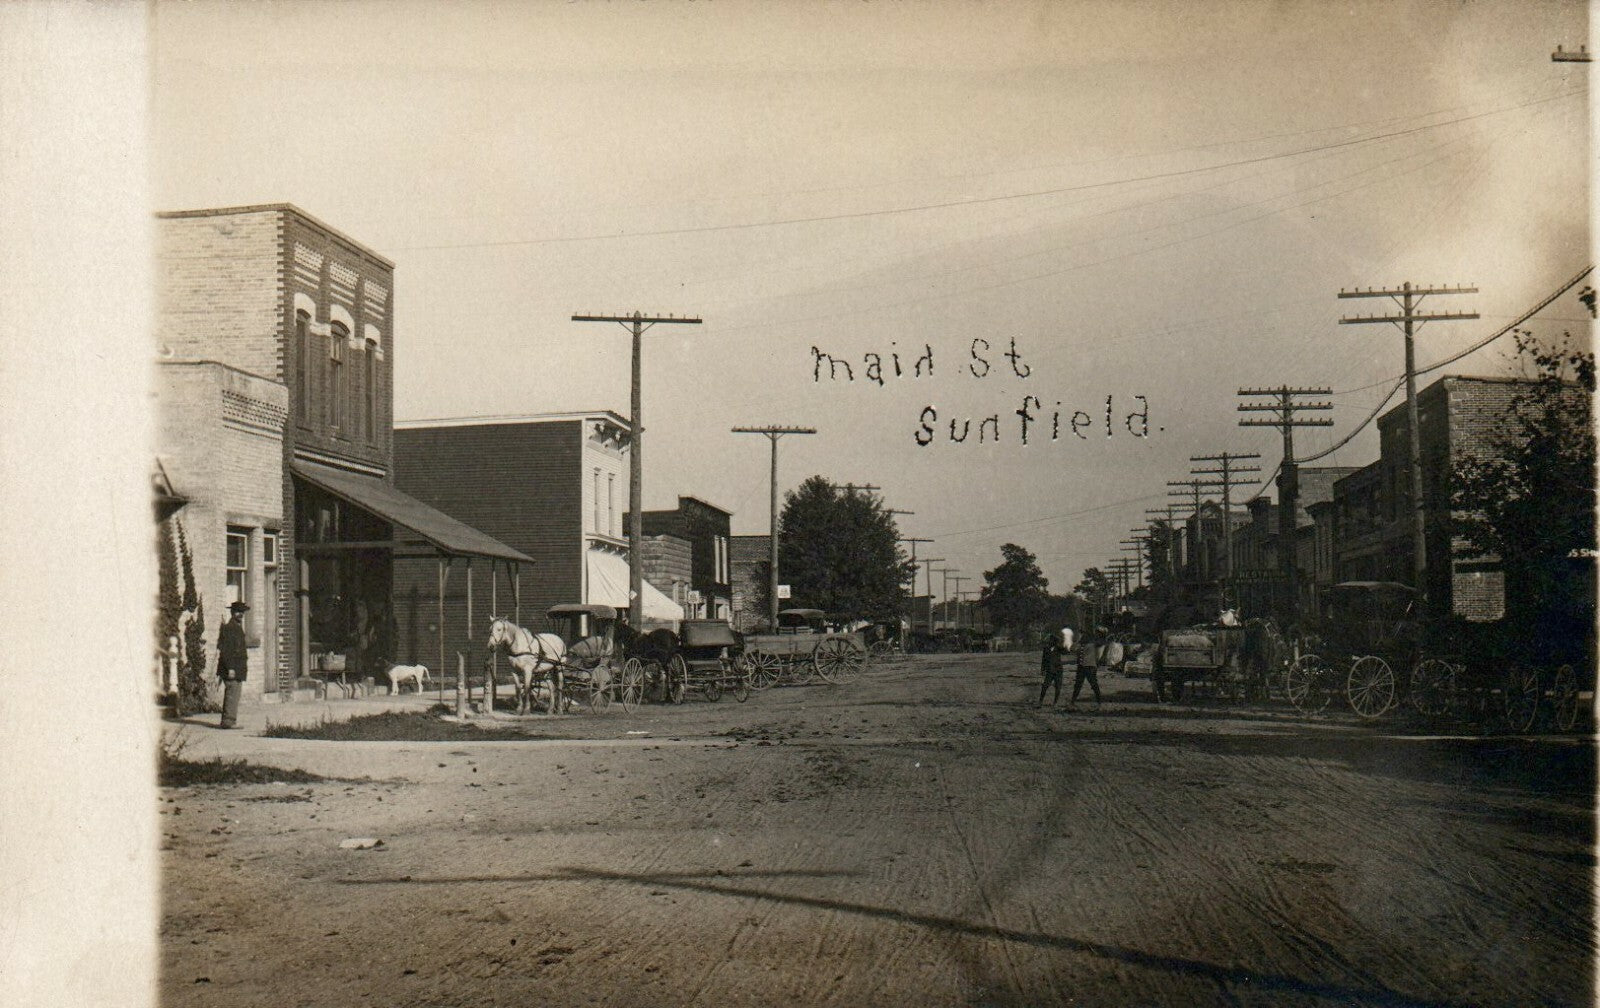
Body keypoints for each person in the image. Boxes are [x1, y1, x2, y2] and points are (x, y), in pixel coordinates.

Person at [216, 601, 249, 729]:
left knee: (235, 693)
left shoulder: (237, 627)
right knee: (232, 693)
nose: (240, 614)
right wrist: (230, 668)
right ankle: (228, 721)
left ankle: (230, 720)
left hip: (237, 668)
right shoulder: (230, 628)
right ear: (232, 612)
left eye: (242, 612)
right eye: (238, 612)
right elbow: (226, 650)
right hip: (231, 668)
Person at [1069, 624, 1105, 711]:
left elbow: (1102, 641)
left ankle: (1098, 702)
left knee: (1091, 684)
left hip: (1089, 667)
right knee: (1081, 685)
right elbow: (1072, 649)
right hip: (1084, 666)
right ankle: (1073, 702)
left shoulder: (1091, 644)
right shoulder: (1085, 644)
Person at [1038, 626, 1072, 706]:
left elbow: (1067, 652)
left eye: (1052, 640)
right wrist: (1042, 670)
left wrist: (1066, 644)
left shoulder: (1059, 648)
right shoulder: (1046, 649)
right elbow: (1044, 660)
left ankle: (1055, 703)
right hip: (1050, 670)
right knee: (1045, 686)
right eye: (1051, 640)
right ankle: (1040, 702)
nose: (1051, 641)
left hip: (1058, 670)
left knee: (1058, 688)